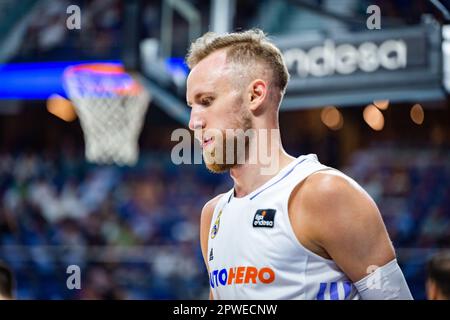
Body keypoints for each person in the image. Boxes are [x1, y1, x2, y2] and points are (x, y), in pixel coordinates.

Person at [185, 29, 413, 300]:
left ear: (255, 95)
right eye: (191, 105)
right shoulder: (212, 214)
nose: (193, 122)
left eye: (206, 101)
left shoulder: (325, 194)